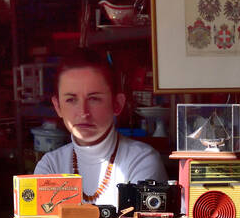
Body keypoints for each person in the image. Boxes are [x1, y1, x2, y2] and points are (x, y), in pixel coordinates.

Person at [34, 53, 166, 204]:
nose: (83, 112)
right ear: (58, 106)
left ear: (117, 104)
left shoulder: (141, 160)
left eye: (94, 99)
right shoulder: (50, 166)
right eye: (71, 100)